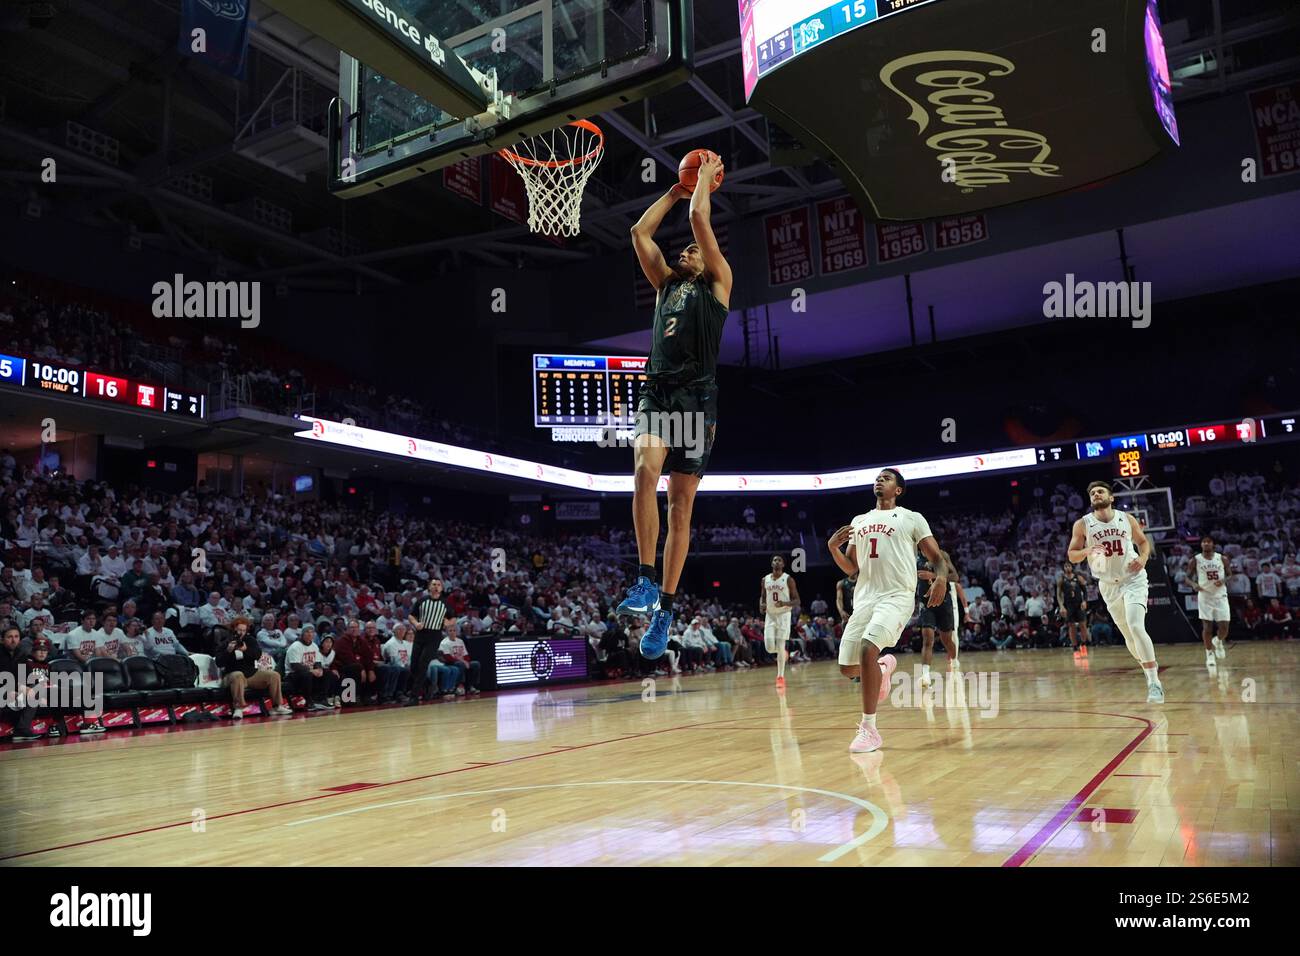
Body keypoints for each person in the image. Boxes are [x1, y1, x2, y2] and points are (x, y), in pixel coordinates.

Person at [618, 151, 733, 663]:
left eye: (694, 250)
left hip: (697, 401)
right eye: (684, 250)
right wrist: (674, 190)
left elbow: (700, 219)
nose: (687, 250)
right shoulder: (666, 285)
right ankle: (645, 580)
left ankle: (666, 607)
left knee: (680, 509)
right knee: (645, 469)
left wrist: (703, 183)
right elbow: (639, 235)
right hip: (659, 392)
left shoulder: (719, 286)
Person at [828, 468, 953, 753]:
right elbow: (852, 568)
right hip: (865, 599)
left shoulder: (912, 518)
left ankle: (869, 729)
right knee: (847, 668)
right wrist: (833, 548)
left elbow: (936, 557)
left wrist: (941, 579)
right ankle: (883, 668)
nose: (879, 480)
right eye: (878, 478)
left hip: (896, 596)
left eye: (887, 478)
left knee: (868, 647)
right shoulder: (859, 521)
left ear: (898, 490)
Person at [1067, 481, 1164, 703]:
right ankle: (1148, 669)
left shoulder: (1126, 519)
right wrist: (1087, 550)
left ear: (1111, 498)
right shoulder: (1082, 525)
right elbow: (1072, 555)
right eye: (1092, 493)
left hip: (1133, 580)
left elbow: (1143, 542)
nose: (1095, 494)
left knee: (1136, 625)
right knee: (1128, 635)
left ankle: (1153, 682)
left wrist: (1143, 558)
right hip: (1108, 585)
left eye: (1100, 491)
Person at [215, 625, 291, 718]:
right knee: (238, 675)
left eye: (244, 630)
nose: (241, 632)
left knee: (274, 675)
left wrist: (246, 650)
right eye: (239, 630)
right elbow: (219, 662)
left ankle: (277, 706)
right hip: (231, 676)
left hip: (251, 674)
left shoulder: (250, 641)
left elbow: (257, 656)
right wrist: (228, 651)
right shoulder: (226, 642)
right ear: (234, 630)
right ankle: (238, 708)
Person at [914, 550, 963, 688]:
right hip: (926, 602)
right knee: (927, 638)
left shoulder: (942, 555)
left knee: (946, 639)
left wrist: (934, 576)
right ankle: (925, 675)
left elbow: (955, 576)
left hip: (944, 601)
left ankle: (954, 660)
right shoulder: (914, 556)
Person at [1188, 534, 1230, 667]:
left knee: (1224, 628)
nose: (1206, 544)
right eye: (1204, 542)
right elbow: (1187, 578)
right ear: (1201, 544)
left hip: (1220, 595)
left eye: (1208, 542)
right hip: (1205, 596)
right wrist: (1193, 584)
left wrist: (1223, 580)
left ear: (1213, 544)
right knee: (1207, 627)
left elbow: (1229, 574)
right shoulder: (1195, 560)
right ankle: (1209, 654)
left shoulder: (1222, 558)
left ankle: (1218, 641)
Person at [760, 554, 800, 688]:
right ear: (772, 564)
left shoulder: (788, 579)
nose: (777, 562)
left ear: (783, 565)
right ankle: (785, 653)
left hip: (783, 615)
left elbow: (797, 601)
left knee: (781, 645)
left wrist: (784, 602)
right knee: (769, 647)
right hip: (770, 615)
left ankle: (780, 677)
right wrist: (762, 605)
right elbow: (763, 597)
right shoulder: (765, 579)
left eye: (779, 560)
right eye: (774, 560)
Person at [408, 578, 450, 702]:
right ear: (429, 587)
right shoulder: (421, 601)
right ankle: (427, 685)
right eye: (433, 584)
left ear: (442, 588)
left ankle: (414, 697)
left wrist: (448, 622)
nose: (436, 586)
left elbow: (453, 618)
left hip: (435, 636)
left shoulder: (445, 603)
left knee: (423, 663)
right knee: (414, 665)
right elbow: (411, 615)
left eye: (438, 585)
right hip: (420, 634)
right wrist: (416, 623)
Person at [1, 625, 41, 742]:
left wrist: (28, 687)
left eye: (16, 636)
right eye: (10, 637)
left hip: (15, 689)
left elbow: (27, 676)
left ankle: (21, 730)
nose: (13, 640)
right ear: (2, 639)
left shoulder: (21, 654)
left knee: (36, 690)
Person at [285, 624, 336, 710]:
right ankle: (308, 701)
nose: (310, 634)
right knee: (307, 674)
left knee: (327, 672)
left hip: (308, 672)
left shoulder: (314, 646)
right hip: (293, 674)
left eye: (312, 632)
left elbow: (317, 661)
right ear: (302, 634)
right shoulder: (295, 646)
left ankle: (321, 700)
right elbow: (295, 666)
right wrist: (312, 670)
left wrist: (319, 669)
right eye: (307, 632)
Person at [438, 622, 481, 696]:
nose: (452, 632)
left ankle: (471, 686)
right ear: (447, 632)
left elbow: (466, 654)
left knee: (476, 664)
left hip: (462, 661)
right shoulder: (444, 643)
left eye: (454, 630)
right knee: (460, 664)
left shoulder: (460, 641)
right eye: (450, 631)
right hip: (450, 662)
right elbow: (447, 657)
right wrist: (463, 662)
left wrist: (466, 661)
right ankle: (458, 686)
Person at [1057, 563, 1090, 658]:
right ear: (1063, 568)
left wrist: (1085, 601)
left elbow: (1085, 590)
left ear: (1072, 567)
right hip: (1068, 605)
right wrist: (1061, 606)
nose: (1067, 568)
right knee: (1071, 627)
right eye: (1065, 566)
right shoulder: (1061, 579)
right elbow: (1058, 594)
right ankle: (1075, 648)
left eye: (1069, 566)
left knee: (1083, 625)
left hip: (1079, 604)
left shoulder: (1078, 577)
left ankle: (1083, 645)